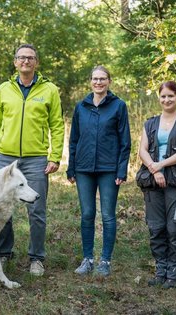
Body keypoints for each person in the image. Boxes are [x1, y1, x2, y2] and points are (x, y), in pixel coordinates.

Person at [0, 44, 65, 276]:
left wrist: (55, 156)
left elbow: (57, 125)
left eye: (30, 58)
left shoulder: (49, 90)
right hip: (6, 157)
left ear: (36, 62)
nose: (25, 61)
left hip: (36, 158)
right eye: (21, 58)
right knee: (2, 207)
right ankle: (4, 253)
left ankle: (37, 258)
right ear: (15, 62)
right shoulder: (4, 89)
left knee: (36, 209)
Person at [67, 65, 131, 277]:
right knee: (87, 214)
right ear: (90, 81)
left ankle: (105, 260)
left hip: (109, 169)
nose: (98, 82)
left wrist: (121, 170)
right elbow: (74, 139)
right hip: (84, 167)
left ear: (109, 81)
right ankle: (87, 259)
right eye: (95, 79)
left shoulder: (118, 106)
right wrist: (71, 166)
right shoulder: (81, 106)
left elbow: (125, 142)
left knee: (107, 215)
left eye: (103, 79)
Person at [138, 81, 176, 289]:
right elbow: (142, 151)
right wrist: (154, 170)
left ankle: (174, 273)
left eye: (171, 96)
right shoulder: (150, 124)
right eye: (163, 96)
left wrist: (161, 165)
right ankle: (160, 270)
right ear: (159, 98)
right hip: (152, 182)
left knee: (174, 229)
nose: (167, 100)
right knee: (156, 229)